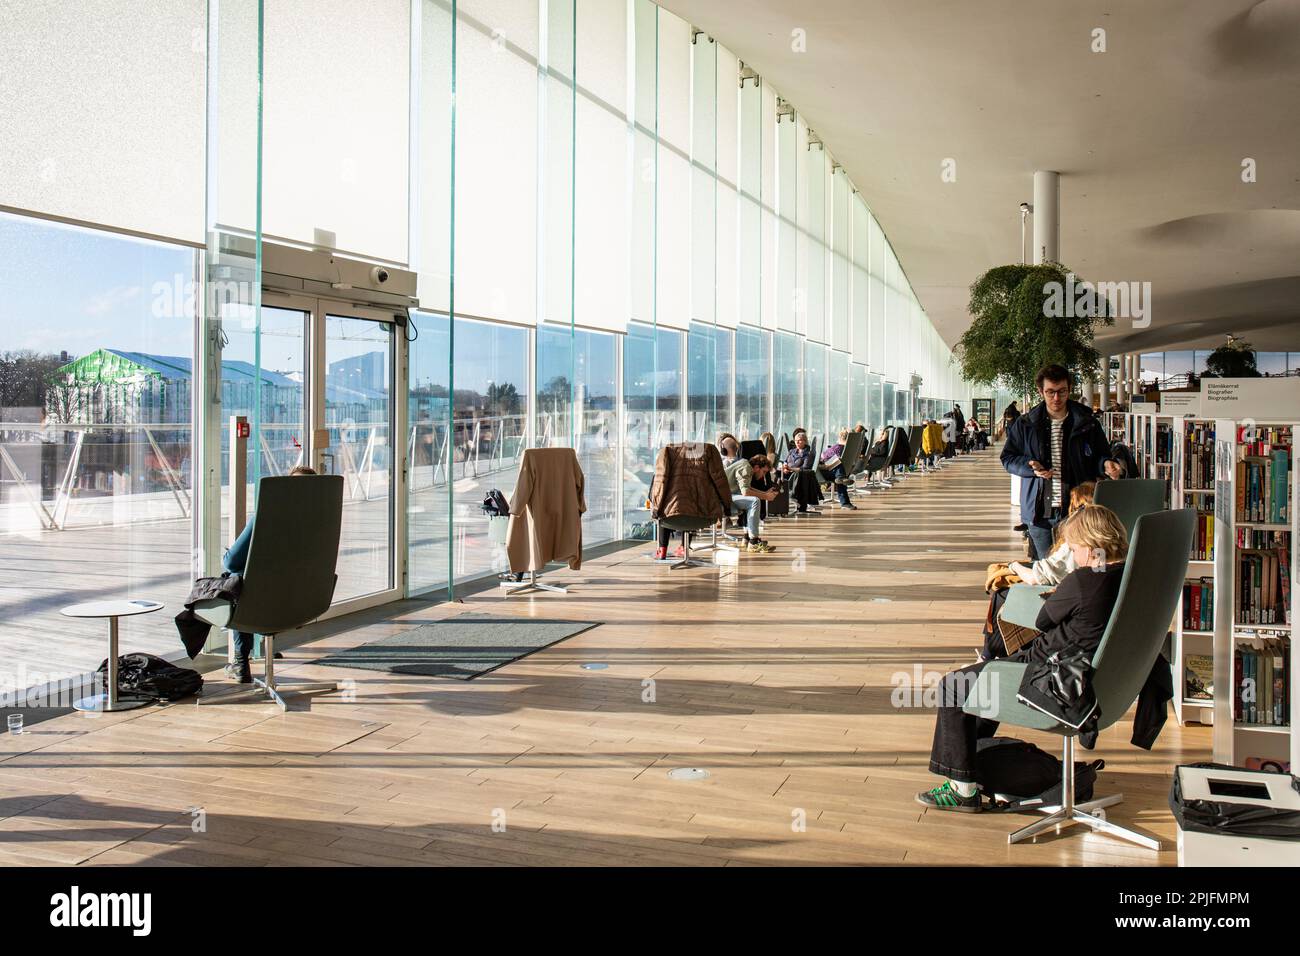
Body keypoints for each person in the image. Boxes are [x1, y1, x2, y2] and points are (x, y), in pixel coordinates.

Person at [916, 504, 1130, 811]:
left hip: (1048, 679)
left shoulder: (1083, 580)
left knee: (953, 685)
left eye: (1074, 547)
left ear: (1091, 545)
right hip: (1085, 679)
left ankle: (962, 790)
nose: (1073, 554)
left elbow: (1043, 621)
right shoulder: (1123, 574)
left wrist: (1061, 594)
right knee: (980, 680)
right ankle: (966, 767)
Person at [1001, 365, 1113, 562]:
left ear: (1070, 389)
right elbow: (1008, 458)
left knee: (1081, 567)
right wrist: (1029, 467)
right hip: (1040, 512)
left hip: (1079, 509)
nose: (1056, 398)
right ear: (1040, 391)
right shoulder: (1026, 424)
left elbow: (1101, 455)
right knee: (1045, 569)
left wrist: (1106, 464)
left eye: (1062, 391)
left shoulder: (1088, 423)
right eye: (1050, 392)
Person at [222, 464, 318, 682]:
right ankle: (266, 644)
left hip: (259, 601)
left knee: (235, 576)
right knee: (256, 580)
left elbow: (232, 560)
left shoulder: (264, 516)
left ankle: (240, 662)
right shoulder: (319, 522)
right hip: (295, 601)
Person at [720, 438, 778, 552]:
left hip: (726, 495)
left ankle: (749, 538)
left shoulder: (745, 466)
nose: (763, 476)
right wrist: (765, 497)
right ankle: (753, 541)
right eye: (764, 472)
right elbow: (745, 492)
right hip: (722, 498)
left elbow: (746, 488)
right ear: (756, 467)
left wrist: (765, 493)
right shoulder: (746, 467)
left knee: (753, 499)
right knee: (754, 501)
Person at [783, 430, 822, 514]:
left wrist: (790, 468)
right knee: (774, 473)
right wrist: (784, 467)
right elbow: (785, 461)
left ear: (805, 441)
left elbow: (805, 468)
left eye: (800, 440)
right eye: (796, 440)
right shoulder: (791, 451)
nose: (797, 442)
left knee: (799, 473)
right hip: (787, 473)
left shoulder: (808, 453)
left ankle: (794, 496)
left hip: (798, 475)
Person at [818, 428, 857, 509]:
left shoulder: (837, 447)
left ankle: (840, 478)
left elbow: (824, 456)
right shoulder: (851, 450)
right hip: (822, 470)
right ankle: (845, 503)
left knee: (840, 472)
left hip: (826, 470)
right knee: (840, 470)